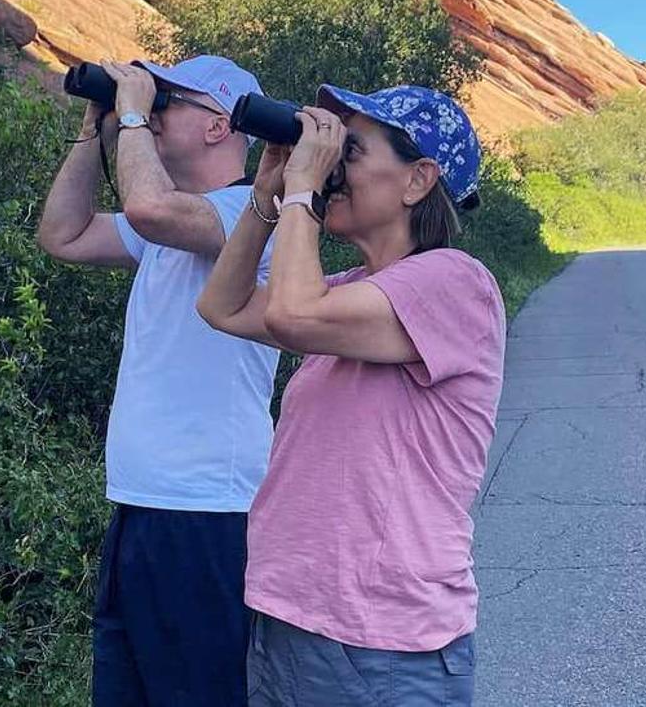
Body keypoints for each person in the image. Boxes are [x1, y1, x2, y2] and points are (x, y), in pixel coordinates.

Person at [196, 84, 507, 706]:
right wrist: (266, 197)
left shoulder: (454, 282)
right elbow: (222, 306)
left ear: (418, 180)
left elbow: (290, 315)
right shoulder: (349, 289)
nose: (335, 168)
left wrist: (305, 192)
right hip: (292, 616)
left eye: (352, 151)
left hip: (379, 639)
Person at [36, 55, 280, 707]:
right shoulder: (169, 230)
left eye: (172, 99)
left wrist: (136, 110)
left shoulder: (247, 217)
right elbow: (63, 233)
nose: (155, 105)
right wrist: (96, 128)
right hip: (144, 505)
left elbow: (147, 206)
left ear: (218, 124)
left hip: (207, 513)